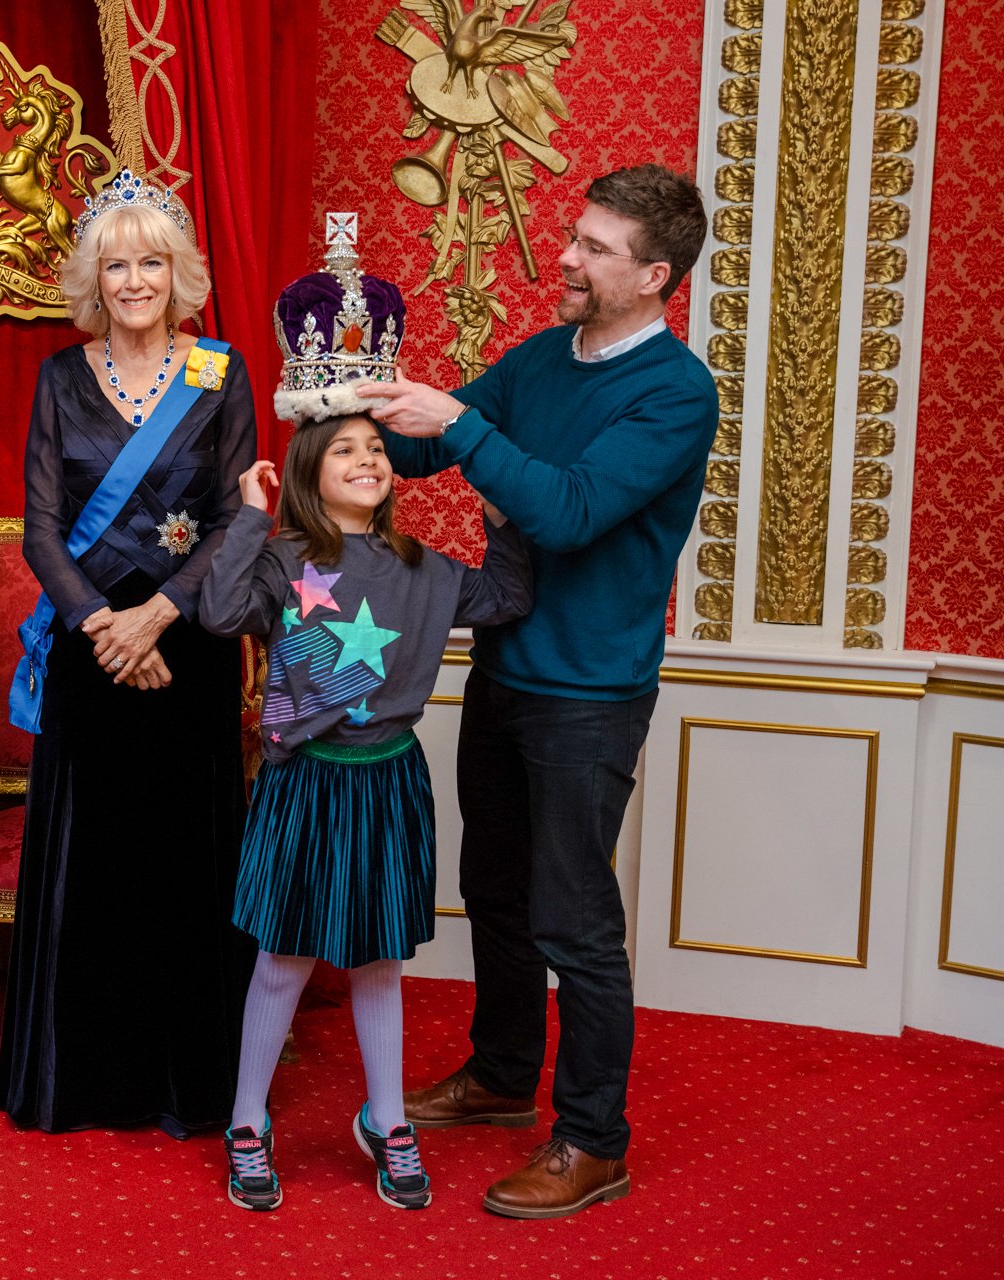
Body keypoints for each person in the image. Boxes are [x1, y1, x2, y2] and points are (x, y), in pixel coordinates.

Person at [355, 163, 717, 1219]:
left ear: (653, 275)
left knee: (572, 918)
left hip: (589, 690)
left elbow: (562, 511)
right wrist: (344, 413)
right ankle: (503, 1075)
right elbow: (431, 445)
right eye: (571, 235)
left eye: (594, 247)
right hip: (507, 667)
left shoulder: (672, 391)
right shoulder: (540, 357)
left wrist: (459, 429)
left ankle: (593, 1139)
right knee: (498, 892)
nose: (563, 256)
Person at [199, 272, 531, 1209]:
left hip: (388, 781)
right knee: (283, 960)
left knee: (379, 961)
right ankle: (248, 1122)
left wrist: (499, 513)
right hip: (305, 782)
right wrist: (250, 516)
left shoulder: (423, 569)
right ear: (307, 466)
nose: (369, 460)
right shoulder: (280, 560)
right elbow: (222, 613)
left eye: (378, 448)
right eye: (344, 447)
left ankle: (387, 1122)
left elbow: (508, 598)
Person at [0, 169, 257, 1135]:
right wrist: (104, 624)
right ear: (92, 279)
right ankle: (81, 1076)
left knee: (184, 857)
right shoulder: (61, 379)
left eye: (151, 261)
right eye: (117, 263)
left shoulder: (218, 372)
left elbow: (237, 519)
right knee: (92, 861)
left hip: (186, 648)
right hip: (90, 647)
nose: (135, 280)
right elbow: (41, 526)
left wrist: (161, 616)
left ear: (177, 272)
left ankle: (188, 1081)